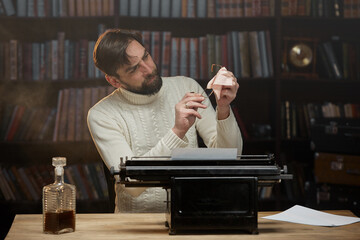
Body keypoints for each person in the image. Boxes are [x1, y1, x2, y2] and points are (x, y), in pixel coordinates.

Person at [87, 29, 243, 213]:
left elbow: (232, 157)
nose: (148, 68)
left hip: (191, 217)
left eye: (146, 56)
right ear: (114, 81)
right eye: (134, 68)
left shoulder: (186, 86)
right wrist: (177, 132)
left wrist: (223, 108)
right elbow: (132, 183)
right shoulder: (101, 115)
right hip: (135, 227)